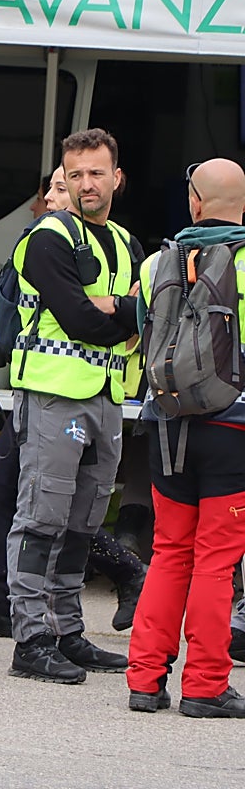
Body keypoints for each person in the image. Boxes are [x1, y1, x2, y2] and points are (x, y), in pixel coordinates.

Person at [0, 167, 146, 638]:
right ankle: (12, 602)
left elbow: (81, 317)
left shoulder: (91, 245)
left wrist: (111, 307)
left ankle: (114, 577)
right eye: (55, 187)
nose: (59, 195)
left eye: (66, 186)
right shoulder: (36, 242)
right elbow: (36, 320)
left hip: (69, 393)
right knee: (12, 494)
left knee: (43, 506)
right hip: (41, 385)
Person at [2, 128, 139, 684]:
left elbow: (148, 315)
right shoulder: (48, 237)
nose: (86, 184)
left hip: (105, 398)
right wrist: (127, 312)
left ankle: (67, 632)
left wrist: (121, 308)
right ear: (64, 177)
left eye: (96, 173)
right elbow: (82, 320)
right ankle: (31, 640)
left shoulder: (127, 241)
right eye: (75, 174)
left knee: (83, 522)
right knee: (41, 518)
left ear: (116, 177)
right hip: (55, 395)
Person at [128, 158, 245, 717]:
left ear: (195, 203)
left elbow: (138, 331)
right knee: (216, 562)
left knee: (169, 552)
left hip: (167, 425)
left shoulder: (156, 264)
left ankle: (145, 680)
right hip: (233, 431)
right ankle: (205, 686)